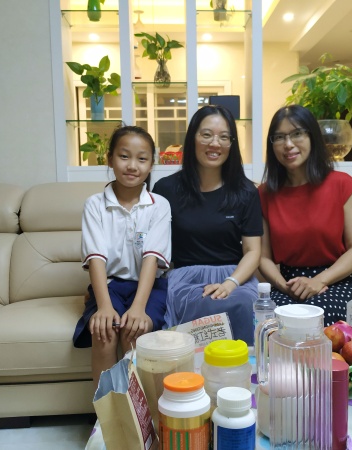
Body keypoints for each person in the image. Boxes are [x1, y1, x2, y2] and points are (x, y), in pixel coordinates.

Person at [153, 105, 262, 345]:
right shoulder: (165, 189)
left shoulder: (246, 192)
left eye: (224, 137)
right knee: (201, 302)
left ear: (231, 144)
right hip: (185, 278)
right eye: (206, 135)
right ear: (192, 138)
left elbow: (253, 251)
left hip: (235, 277)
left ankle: (244, 367)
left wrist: (230, 283)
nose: (215, 143)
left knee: (244, 303)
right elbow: (152, 248)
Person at [72, 125, 172, 387]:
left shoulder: (159, 205)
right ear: (110, 159)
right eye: (124, 156)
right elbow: (96, 258)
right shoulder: (95, 204)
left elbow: (152, 258)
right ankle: (106, 409)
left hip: (149, 287)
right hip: (110, 286)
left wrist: (138, 308)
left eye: (142, 159)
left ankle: (140, 410)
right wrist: (104, 307)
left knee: (135, 331)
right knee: (104, 332)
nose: (132, 166)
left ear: (151, 164)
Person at [258, 105, 352, 326]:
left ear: (312, 137)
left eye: (297, 134)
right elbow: (263, 257)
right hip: (289, 283)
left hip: (337, 279)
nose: (288, 144)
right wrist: (282, 285)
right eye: (279, 137)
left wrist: (319, 280)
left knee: (318, 316)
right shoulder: (264, 194)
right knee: (272, 322)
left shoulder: (341, 184)